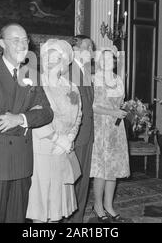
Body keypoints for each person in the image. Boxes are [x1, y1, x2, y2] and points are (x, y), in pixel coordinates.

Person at [0, 23, 53, 223]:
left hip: (22, 160)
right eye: (15, 40)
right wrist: (29, 117)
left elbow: (47, 113)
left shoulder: (31, 74)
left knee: (17, 219)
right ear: (2, 43)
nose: (22, 44)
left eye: (25, 39)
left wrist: (19, 118)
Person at [26, 39, 82, 223]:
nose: (52, 61)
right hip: (42, 149)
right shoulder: (35, 83)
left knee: (56, 207)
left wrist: (70, 139)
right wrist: (59, 139)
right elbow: (35, 116)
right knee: (41, 208)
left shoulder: (71, 87)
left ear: (65, 61)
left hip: (63, 151)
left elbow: (78, 115)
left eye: (57, 58)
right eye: (48, 57)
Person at [90, 47, 130, 222]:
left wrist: (127, 110)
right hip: (101, 128)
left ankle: (109, 205)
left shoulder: (119, 79)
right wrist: (112, 113)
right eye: (104, 59)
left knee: (112, 169)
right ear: (99, 61)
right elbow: (93, 106)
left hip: (116, 129)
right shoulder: (95, 79)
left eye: (110, 59)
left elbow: (121, 102)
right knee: (101, 170)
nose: (108, 62)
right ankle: (98, 206)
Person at [67, 34, 94, 223]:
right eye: (89, 47)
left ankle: (77, 219)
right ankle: (69, 219)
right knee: (72, 180)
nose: (92, 52)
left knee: (83, 181)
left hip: (87, 134)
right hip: (75, 136)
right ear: (76, 50)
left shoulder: (85, 70)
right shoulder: (69, 71)